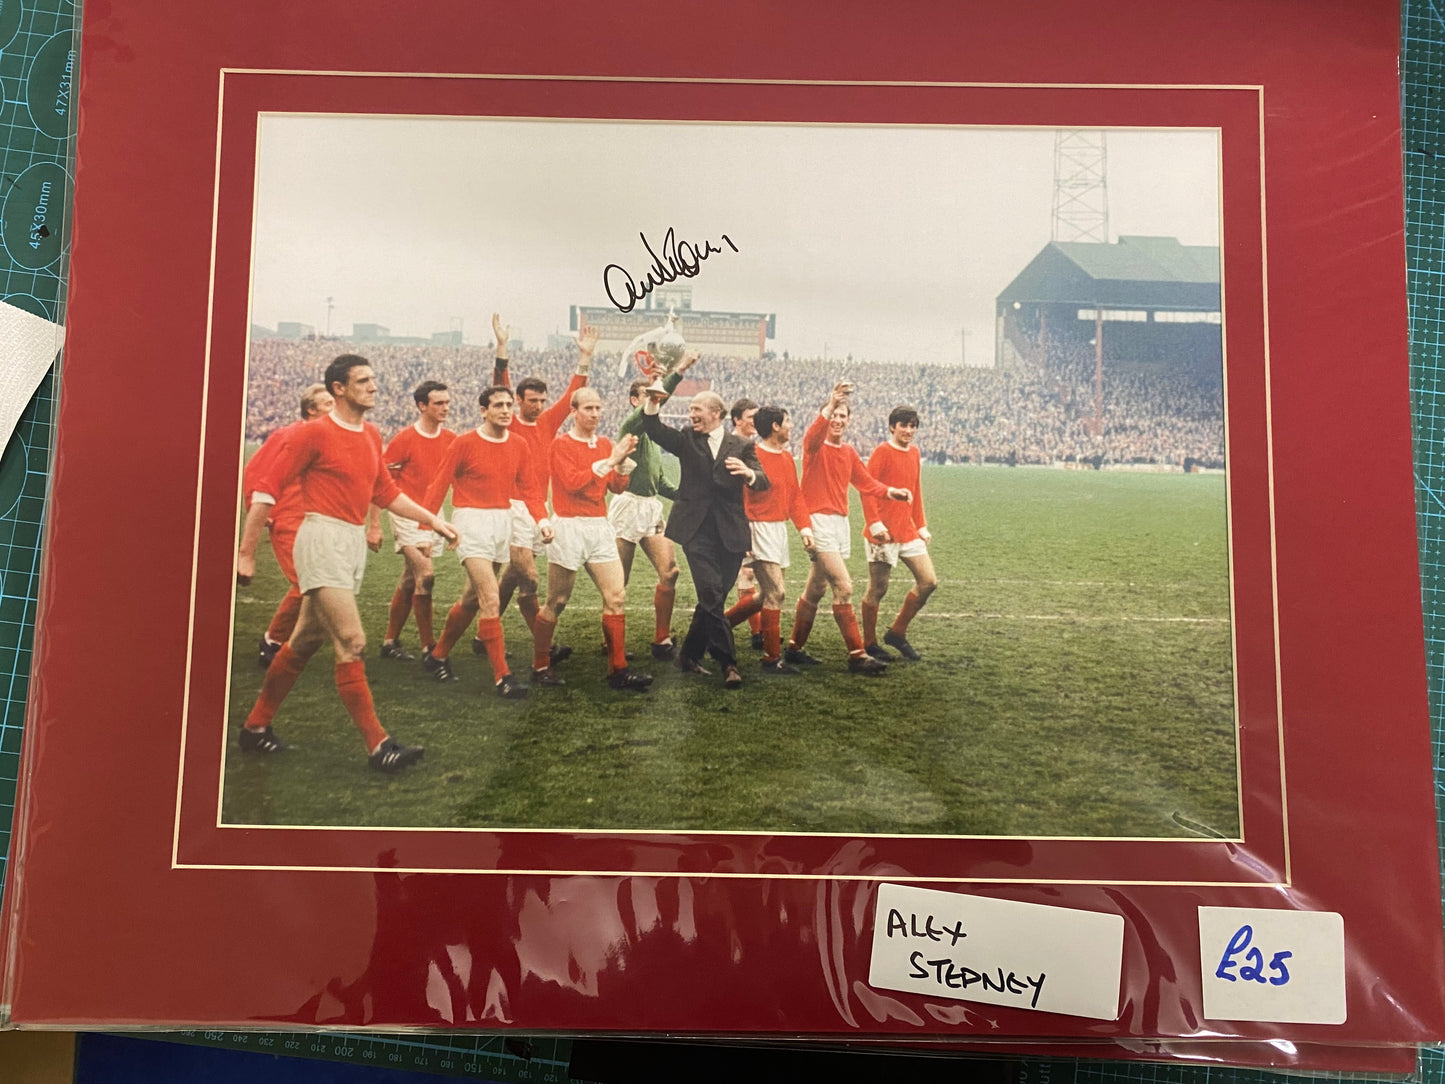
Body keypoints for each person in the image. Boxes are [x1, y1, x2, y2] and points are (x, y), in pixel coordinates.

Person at [236, 355, 458, 773]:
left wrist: (433, 520)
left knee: (304, 641)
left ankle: (255, 727)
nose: (374, 386)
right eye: (363, 380)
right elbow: (266, 489)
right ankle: (379, 747)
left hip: (350, 542)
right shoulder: (313, 433)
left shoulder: (371, 434)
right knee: (353, 641)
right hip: (320, 539)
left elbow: (386, 492)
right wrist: (246, 552)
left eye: (373, 379)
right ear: (339, 388)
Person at [417, 385, 552, 697]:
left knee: (471, 599)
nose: (505, 410)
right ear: (483, 410)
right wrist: (426, 530)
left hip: (501, 522)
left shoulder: (518, 444)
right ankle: (503, 677)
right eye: (498, 405)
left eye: (508, 405)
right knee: (491, 598)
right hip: (470, 524)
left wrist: (541, 519)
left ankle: (437, 656)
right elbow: (438, 485)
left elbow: (530, 487)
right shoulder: (464, 443)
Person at [639, 382, 770, 689]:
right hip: (696, 531)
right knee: (710, 594)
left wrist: (748, 474)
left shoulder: (741, 445)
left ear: (716, 413)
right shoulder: (686, 439)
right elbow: (654, 429)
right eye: (690, 410)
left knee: (715, 598)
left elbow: (762, 480)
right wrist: (652, 403)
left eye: (696, 409)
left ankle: (687, 655)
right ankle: (729, 663)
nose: (691, 414)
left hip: (730, 533)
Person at [785, 382, 911, 676]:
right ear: (826, 418)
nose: (838, 421)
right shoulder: (814, 447)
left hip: (840, 523)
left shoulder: (849, 452)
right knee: (844, 586)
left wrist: (892, 492)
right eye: (834, 416)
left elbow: (866, 483)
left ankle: (794, 648)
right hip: (818, 521)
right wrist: (830, 404)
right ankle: (857, 655)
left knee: (816, 587)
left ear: (849, 421)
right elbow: (812, 434)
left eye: (843, 416)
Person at [488, 313, 593, 664]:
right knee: (530, 579)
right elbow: (499, 382)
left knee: (512, 576)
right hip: (511, 507)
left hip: (537, 508)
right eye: (531, 400)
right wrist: (502, 346)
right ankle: (543, 646)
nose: (539, 406)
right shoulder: (508, 424)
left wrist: (585, 357)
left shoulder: (548, 423)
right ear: (518, 400)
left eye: (542, 401)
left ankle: (483, 631)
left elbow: (571, 396)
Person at [531, 387, 651, 691]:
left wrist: (622, 467)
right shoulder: (560, 445)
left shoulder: (606, 444)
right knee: (557, 601)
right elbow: (573, 483)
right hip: (569, 526)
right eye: (588, 408)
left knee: (616, 596)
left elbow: (617, 488)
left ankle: (618, 670)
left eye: (598, 408)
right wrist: (611, 461)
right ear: (574, 412)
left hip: (599, 526)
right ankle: (541, 664)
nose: (595, 414)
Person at [611, 352, 699, 661]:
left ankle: (661, 640)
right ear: (636, 401)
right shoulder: (631, 428)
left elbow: (658, 482)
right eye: (648, 398)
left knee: (670, 571)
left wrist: (684, 497)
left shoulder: (653, 438)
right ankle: (614, 647)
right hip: (627, 507)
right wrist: (678, 372)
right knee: (617, 583)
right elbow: (655, 403)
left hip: (649, 508)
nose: (655, 403)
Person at [238, 382, 334, 667]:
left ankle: (282, 641)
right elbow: (255, 473)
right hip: (289, 520)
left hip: (320, 521)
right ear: (311, 409)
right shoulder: (289, 434)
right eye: (328, 403)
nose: (334, 408)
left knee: (316, 583)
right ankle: (273, 641)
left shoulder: (331, 438)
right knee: (309, 582)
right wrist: (254, 509)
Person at [378, 381, 456, 661]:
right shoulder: (404, 439)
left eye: (447, 402)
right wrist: (375, 525)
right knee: (427, 575)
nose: (445, 407)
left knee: (410, 578)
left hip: (434, 515)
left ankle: (390, 642)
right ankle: (429, 648)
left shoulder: (450, 439)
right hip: (405, 514)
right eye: (438, 403)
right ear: (422, 406)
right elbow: (381, 483)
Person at [737, 406, 814, 673]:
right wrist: (743, 533)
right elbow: (740, 498)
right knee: (776, 593)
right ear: (775, 427)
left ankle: (717, 626)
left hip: (777, 530)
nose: (791, 425)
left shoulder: (786, 458)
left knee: (764, 596)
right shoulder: (752, 455)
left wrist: (805, 528)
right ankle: (771, 659)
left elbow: (795, 497)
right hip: (757, 529)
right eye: (788, 421)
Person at [861, 406, 938, 661]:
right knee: (878, 588)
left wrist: (921, 524)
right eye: (904, 425)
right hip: (883, 533)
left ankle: (897, 632)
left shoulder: (914, 453)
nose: (909, 430)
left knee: (928, 582)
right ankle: (870, 644)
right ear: (892, 426)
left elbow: (915, 489)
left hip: (907, 531)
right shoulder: (882, 452)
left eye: (913, 426)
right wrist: (874, 523)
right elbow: (867, 488)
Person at [722, 398, 765, 648]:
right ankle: (751, 630)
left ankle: (756, 631)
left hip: (754, 517)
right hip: (737, 518)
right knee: (745, 572)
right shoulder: (729, 447)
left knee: (751, 573)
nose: (755, 422)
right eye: (751, 417)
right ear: (737, 419)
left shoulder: (752, 446)